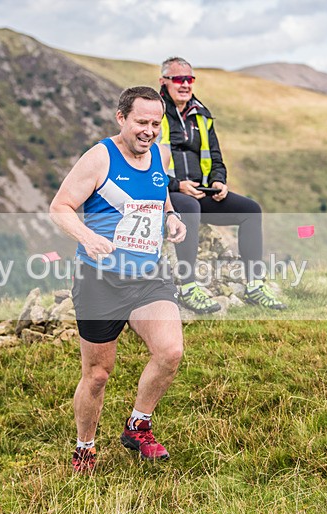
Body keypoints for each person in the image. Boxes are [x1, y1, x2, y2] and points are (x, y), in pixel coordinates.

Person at [50, 86, 188, 473]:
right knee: (97, 375)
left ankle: (137, 426)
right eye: (141, 122)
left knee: (170, 352)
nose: (149, 131)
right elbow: (60, 207)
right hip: (100, 280)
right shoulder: (100, 158)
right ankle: (84, 447)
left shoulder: (158, 154)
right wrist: (88, 238)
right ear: (121, 118)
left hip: (147, 276)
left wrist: (171, 217)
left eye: (155, 123)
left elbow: (160, 195)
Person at [158, 57, 285, 312]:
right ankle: (188, 287)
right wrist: (177, 185)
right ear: (164, 82)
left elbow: (215, 157)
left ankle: (255, 285)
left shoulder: (202, 115)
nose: (185, 85)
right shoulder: (154, 113)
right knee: (190, 208)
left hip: (203, 192)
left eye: (189, 79)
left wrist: (219, 181)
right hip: (166, 195)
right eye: (178, 79)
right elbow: (144, 163)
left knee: (251, 210)